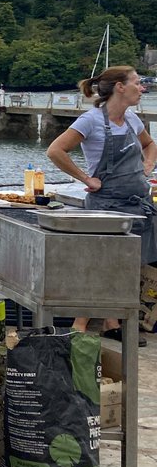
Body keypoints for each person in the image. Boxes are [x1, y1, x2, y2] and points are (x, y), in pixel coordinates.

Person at [47, 65, 157, 344]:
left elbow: (150, 145)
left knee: (128, 268)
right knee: (102, 266)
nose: (141, 88)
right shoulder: (91, 120)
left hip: (137, 205)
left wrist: (147, 166)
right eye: (136, 83)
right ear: (120, 87)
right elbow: (55, 150)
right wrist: (85, 178)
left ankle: (111, 323)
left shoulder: (132, 120)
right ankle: (78, 327)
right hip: (106, 206)